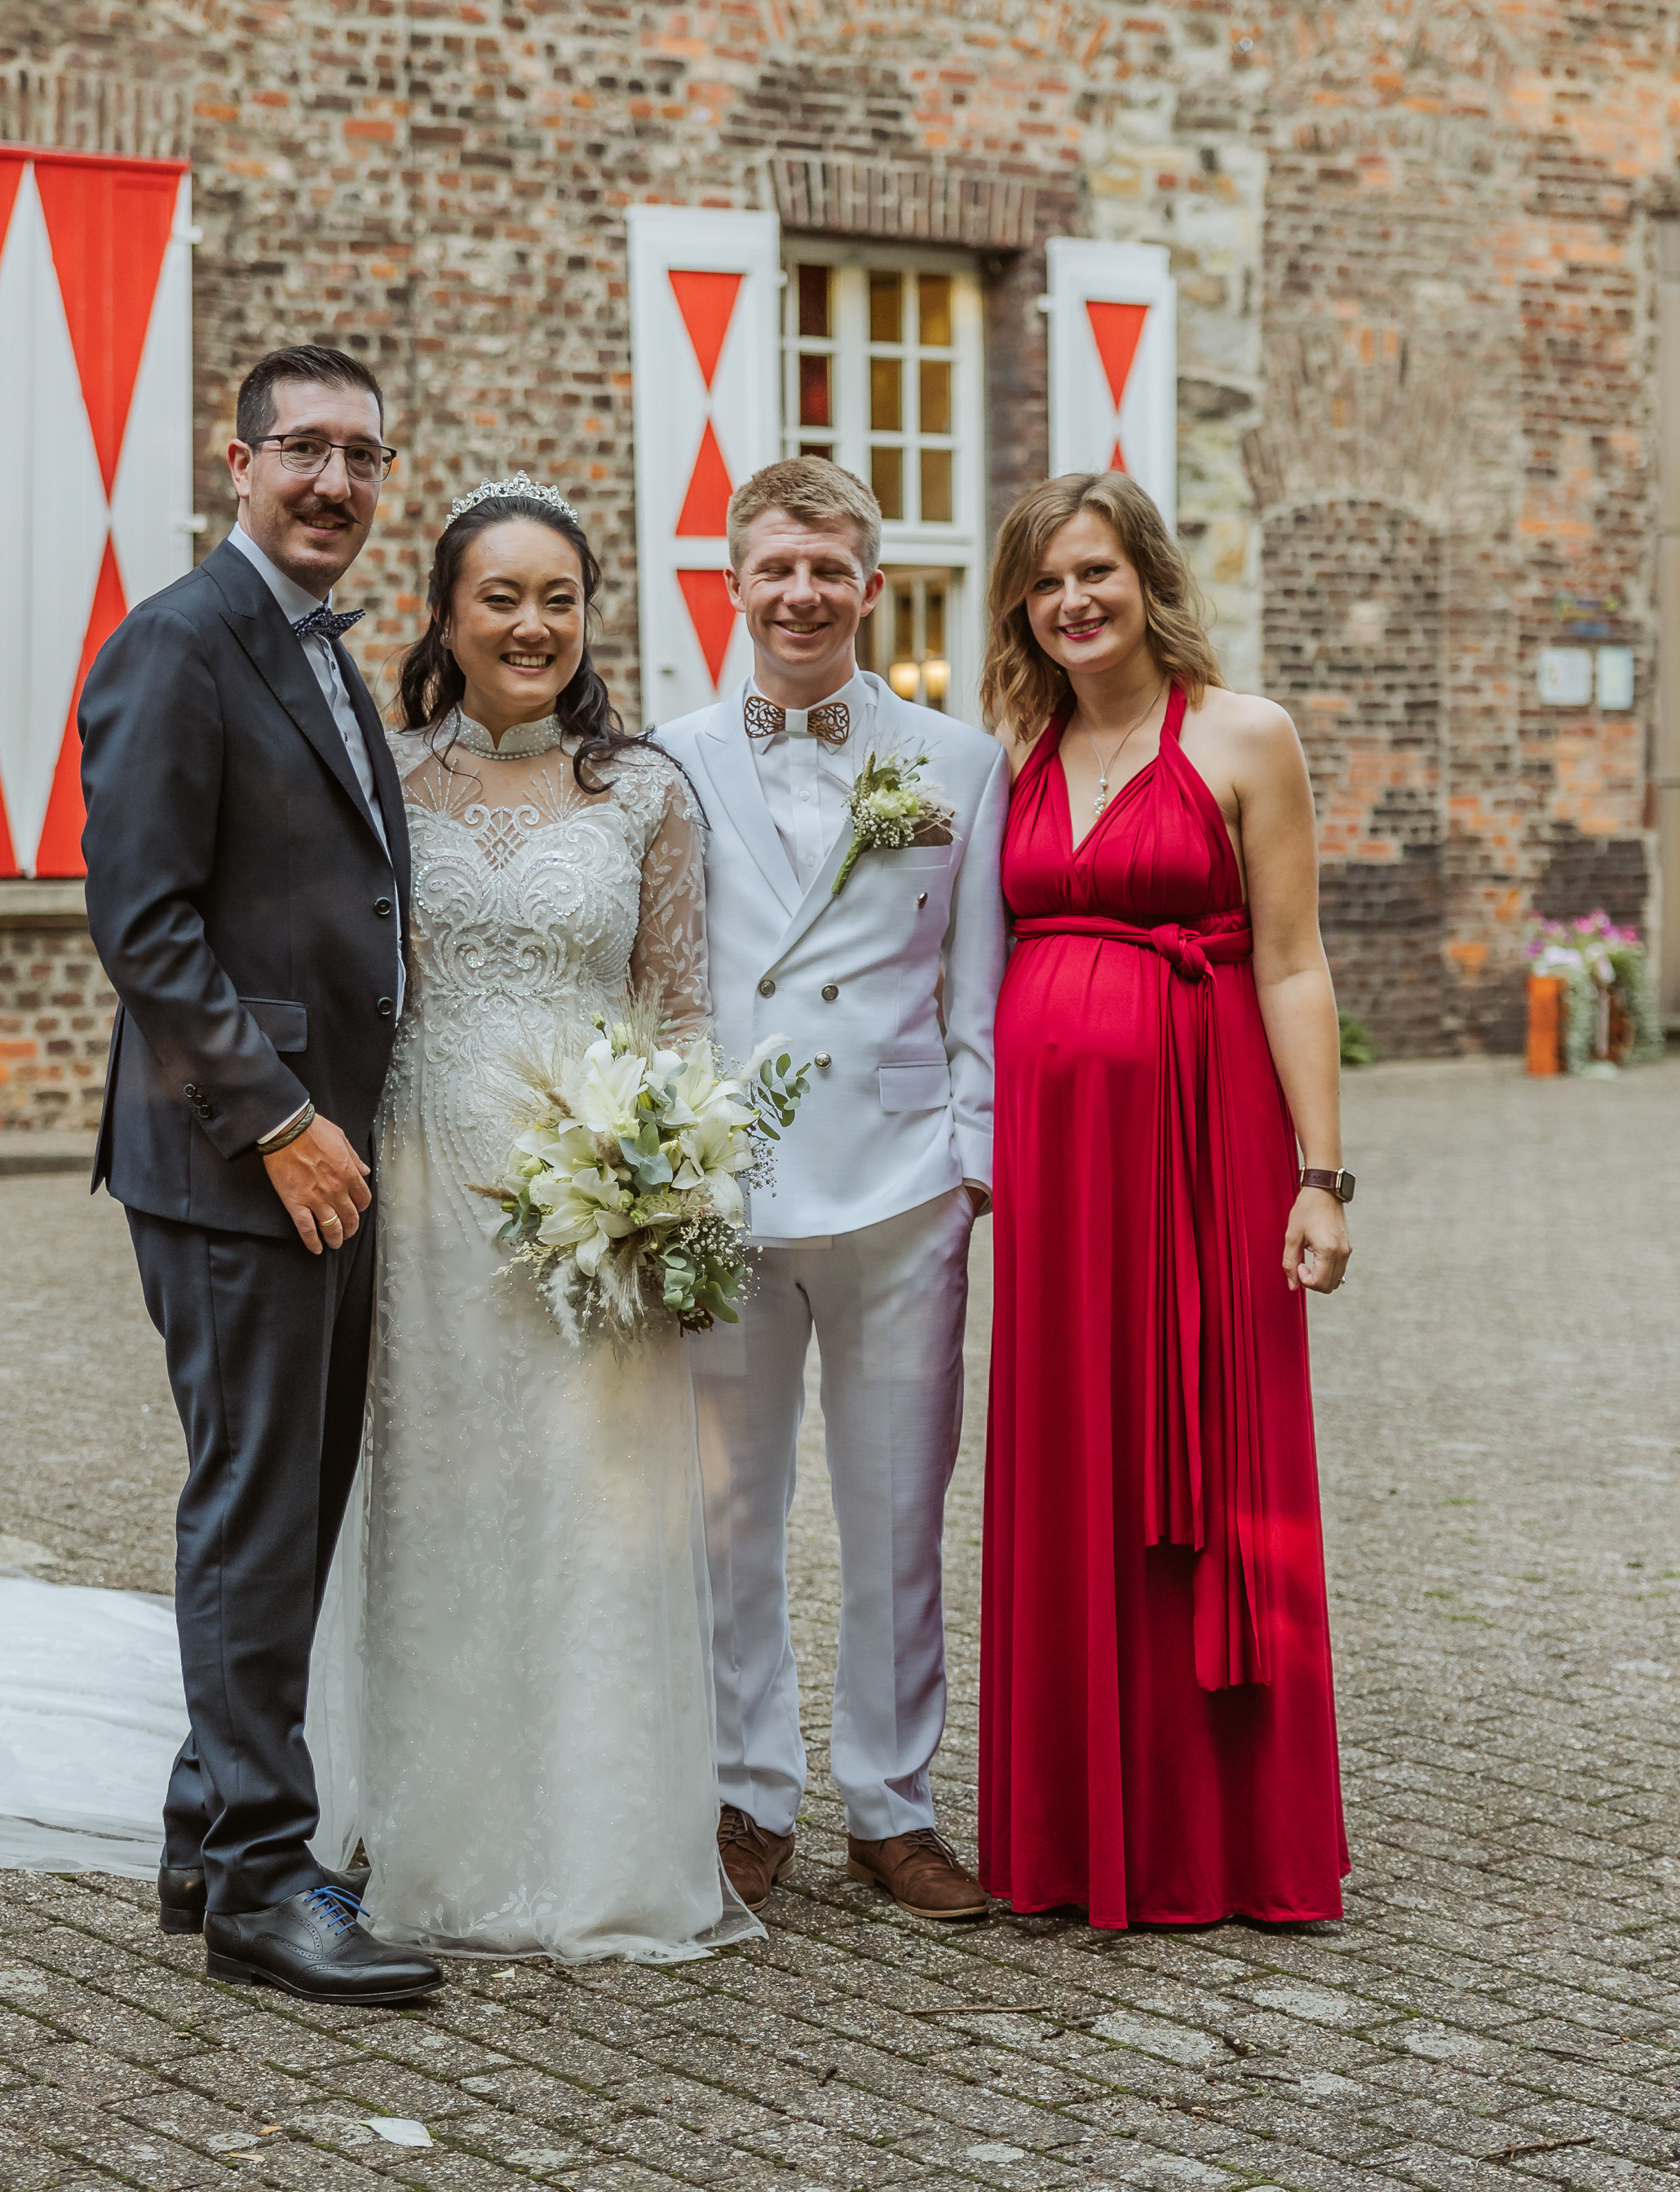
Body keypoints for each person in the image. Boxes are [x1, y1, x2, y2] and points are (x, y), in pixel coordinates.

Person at [301, 475, 752, 1962]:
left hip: (591, 1208)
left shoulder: (646, 793)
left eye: (559, 598)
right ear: (445, 614)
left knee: (588, 1515)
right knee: (434, 1504)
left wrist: (678, 1186)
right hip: (423, 1192)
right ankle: (428, 1830)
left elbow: (680, 1014)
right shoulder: (382, 779)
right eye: (500, 596)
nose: (532, 624)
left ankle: (591, 1843)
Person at [76, 345, 444, 2004]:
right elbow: (143, 922)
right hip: (243, 1159)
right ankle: (259, 1887)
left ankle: (201, 1829)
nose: (335, 483)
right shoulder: (179, 640)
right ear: (239, 463)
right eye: (304, 449)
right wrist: (283, 1122)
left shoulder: (317, 650)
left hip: (330, 1156)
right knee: (252, 1509)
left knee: (288, 1504)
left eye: (363, 457)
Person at [972, 470, 1353, 1929]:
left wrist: (1321, 1177)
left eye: (1095, 572)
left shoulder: (1245, 735)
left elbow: (1293, 962)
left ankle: (1228, 1841)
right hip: (1060, 1181)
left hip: (1208, 1150)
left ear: (1147, 577)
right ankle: (1078, 1834)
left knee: (1214, 1458)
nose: (1073, 602)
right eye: (1044, 583)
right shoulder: (1016, 752)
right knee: (1077, 1460)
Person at [653, 458, 1008, 1924]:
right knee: (729, 1513)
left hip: (902, 1180)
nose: (801, 594)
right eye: (775, 569)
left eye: (828, 570)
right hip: (727, 1186)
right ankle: (749, 1795)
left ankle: (892, 1805)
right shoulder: (665, 760)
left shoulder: (960, 760)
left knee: (898, 1508)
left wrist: (974, 1161)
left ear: (870, 586)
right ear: (734, 585)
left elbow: (975, 979)